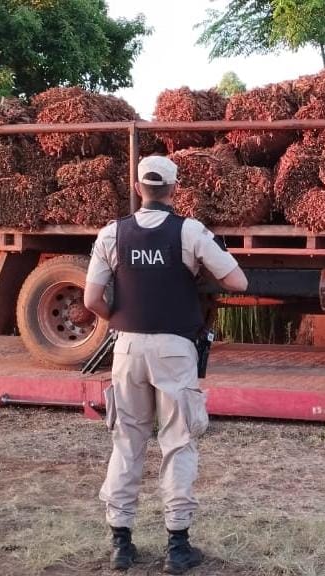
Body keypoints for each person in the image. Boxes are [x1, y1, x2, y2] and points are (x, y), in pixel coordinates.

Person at [84, 156, 248, 574]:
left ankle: (120, 541)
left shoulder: (111, 233)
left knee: (127, 440)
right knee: (178, 440)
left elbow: (90, 301)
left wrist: (124, 320)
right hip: (176, 349)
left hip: (126, 349)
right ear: (174, 189)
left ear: (138, 188)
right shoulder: (190, 231)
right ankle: (177, 546)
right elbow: (237, 282)